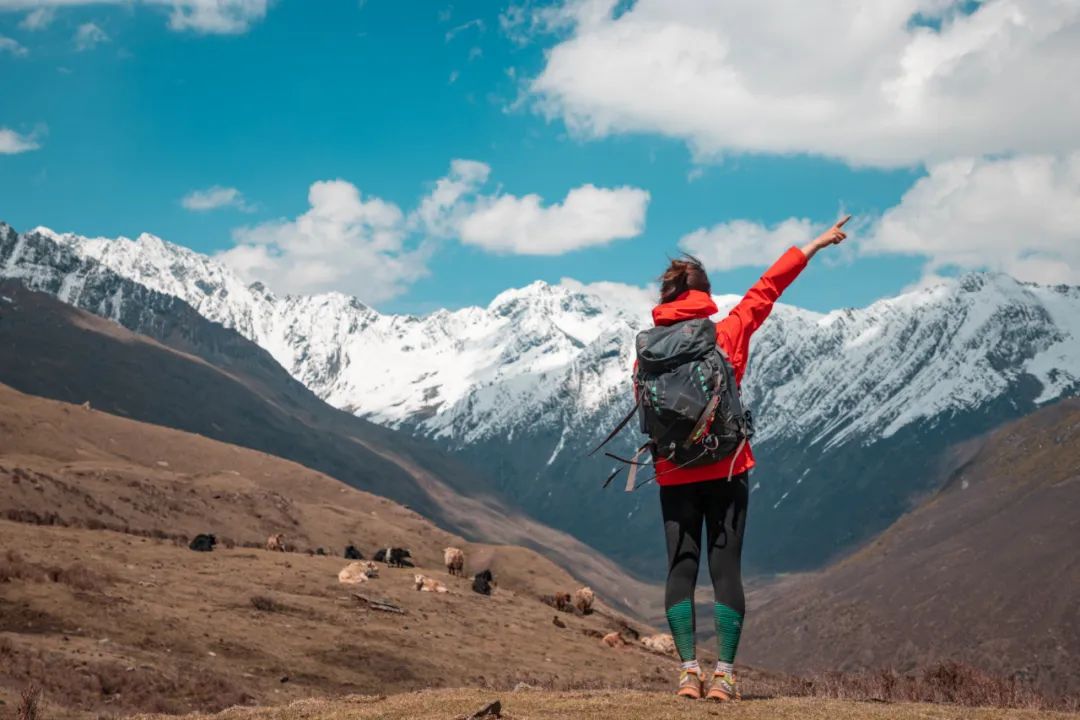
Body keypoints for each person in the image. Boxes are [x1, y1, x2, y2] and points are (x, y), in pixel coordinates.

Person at [650, 215, 850, 701]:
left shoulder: (648, 350)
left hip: (672, 471)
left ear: (667, 298)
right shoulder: (729, 330)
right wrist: (813, 246)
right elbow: (766, 289)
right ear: (706, 294)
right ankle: (724, 677)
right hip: (728, 468)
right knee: (725, 570)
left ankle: (687, 674)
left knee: (681, 568)